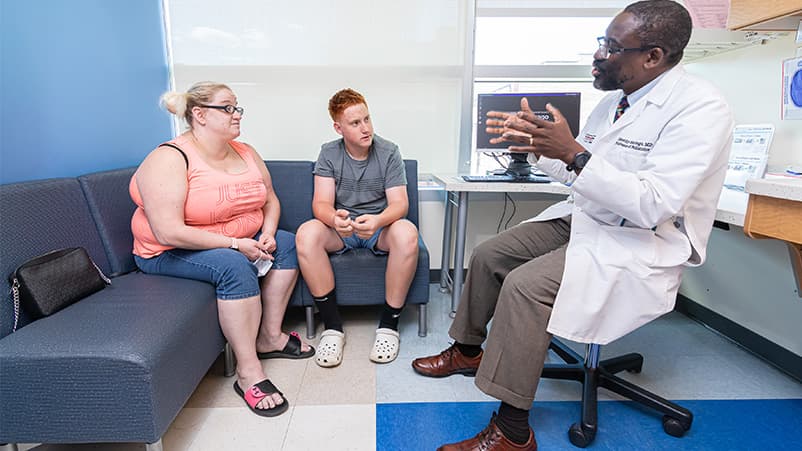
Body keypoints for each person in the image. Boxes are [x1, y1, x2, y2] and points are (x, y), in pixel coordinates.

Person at [412, 1, 734, 449]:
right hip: (591, 217)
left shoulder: (700, 109)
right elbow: (580, 173)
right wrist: (543, 148)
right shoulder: (613, 105)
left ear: (653, 56)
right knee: (488, 254)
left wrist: (574, 153)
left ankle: (512, 433)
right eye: (602, 42)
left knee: (526, 286)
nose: (599, 54)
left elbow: (654, 204)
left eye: (612, 46)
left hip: (643, 237)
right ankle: (467, 351)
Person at [130, 81, 314, 418]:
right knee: (233, 265)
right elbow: (167, 231)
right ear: (199, 115)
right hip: (168, 251)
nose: (237, 114)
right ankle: (248, 373)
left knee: (287, 243)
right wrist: (235, 244)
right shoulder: (169, 158)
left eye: (237, 107)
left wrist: (268, 233)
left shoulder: (245, 151)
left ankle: (269, 337)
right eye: (227, 108)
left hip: (236, 240)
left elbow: (270, 198)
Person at [295, 88, 419, 367]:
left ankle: (389, 326)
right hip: (344, 229)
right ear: (338, 128)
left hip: (378, 228)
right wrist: (334, 219)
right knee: (307, 234)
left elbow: (400, 204)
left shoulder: (389, 151)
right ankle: (332, 328)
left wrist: (377, 220)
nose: (366, 128)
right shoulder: (328, 152)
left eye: (367, 119)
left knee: (407, 233)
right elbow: (321, 203)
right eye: (355, 123)